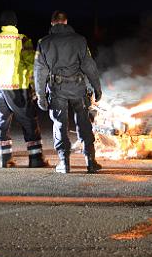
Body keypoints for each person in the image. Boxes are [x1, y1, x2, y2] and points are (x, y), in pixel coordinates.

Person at [34, 10, 102, 174]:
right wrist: (97, 87)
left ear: (52, 23)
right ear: (66, 22)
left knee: (60, 124)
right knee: (84, 123)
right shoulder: (80, 40)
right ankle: (91, 162)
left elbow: (39, 71)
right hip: (78, 89)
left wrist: (41, 96)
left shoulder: (44, 42)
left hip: (57, 90)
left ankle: (64, 163)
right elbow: (89, 66)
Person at [0, 10, 48, 168]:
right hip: (18, 87)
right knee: (29, 122)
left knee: (1, 122)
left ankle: (5, 159)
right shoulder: (22, 40)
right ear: (15, 23)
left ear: (1, 24)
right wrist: (34, 86)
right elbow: (32, 64)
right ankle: (36, 159)